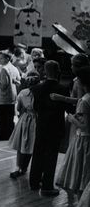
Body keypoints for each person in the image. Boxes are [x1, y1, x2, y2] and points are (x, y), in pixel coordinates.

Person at [29, 60, 71, 196]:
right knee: (51, 157)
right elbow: (69, 109)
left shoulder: (36, 88)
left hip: (41, 125)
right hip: (55, 126)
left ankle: (34, 182)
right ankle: (47, 186)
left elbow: (34, 108)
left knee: (38, 153)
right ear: (58, 71)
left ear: (45, 72)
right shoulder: (62, 89)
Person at [56, 66, 90, 195]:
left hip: (84, 141)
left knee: (81, 175)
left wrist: (72, 119)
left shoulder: (85, 101)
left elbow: (85, 126)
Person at [8, 72, 40, 179]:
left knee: (27, 145)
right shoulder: (32, 93)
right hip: (33, 120)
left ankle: (22, 167)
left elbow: (18, 109)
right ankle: (22, 167)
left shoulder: (23, 93)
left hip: (28, 119)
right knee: (26, 144)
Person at [0, 50, 17, 141]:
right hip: (12, 95)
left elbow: (3, 85)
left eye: (1, 58)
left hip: (4, 96)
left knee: (2, 117)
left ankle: (2, 135)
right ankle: (10, 134)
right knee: (9, 117)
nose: (0, 60)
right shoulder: (14, 68)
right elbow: (18, 80)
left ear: (7, 58)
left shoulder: (4, 69)